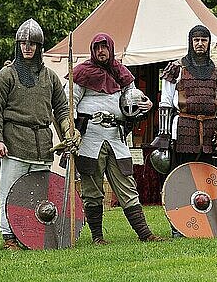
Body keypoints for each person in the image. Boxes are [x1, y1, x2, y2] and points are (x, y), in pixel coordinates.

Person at [0, 19, 79, 250]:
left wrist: (69, 131)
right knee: (11, 192)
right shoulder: (6, 75)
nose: (27, 47)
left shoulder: (50, 77)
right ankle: (9, 236)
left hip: (42, 145)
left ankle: (30, 236)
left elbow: (61, 109)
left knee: (38, 195)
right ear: (18, 45)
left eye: (32, 44)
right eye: (23, 43)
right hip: (15, 141)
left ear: (39, 47)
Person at [67, 33, 162, 244]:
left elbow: (134, 101)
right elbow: (69, 102)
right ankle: (97, 237)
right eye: (97, 47)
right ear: (93, 50)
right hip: (90, 139)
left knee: (127, 186)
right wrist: (70, 130)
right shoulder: (82, 73)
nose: (101, 51)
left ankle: (145, 234)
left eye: (104, 47)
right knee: (92, 189)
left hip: (116, 138)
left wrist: (145, 106)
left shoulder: (122, 73)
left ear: (110, 48)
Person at [151, 25, 217, 236]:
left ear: (209, 43)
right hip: (183, 130)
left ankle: (206, 224)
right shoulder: (176, 69)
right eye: (196, 40)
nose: (199, 44)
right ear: (190, 42)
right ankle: (177, 226)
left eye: (203, 40)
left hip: (211, 131)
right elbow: (166, 103)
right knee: (180, 178)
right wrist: (164, 134)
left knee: (208, 179)